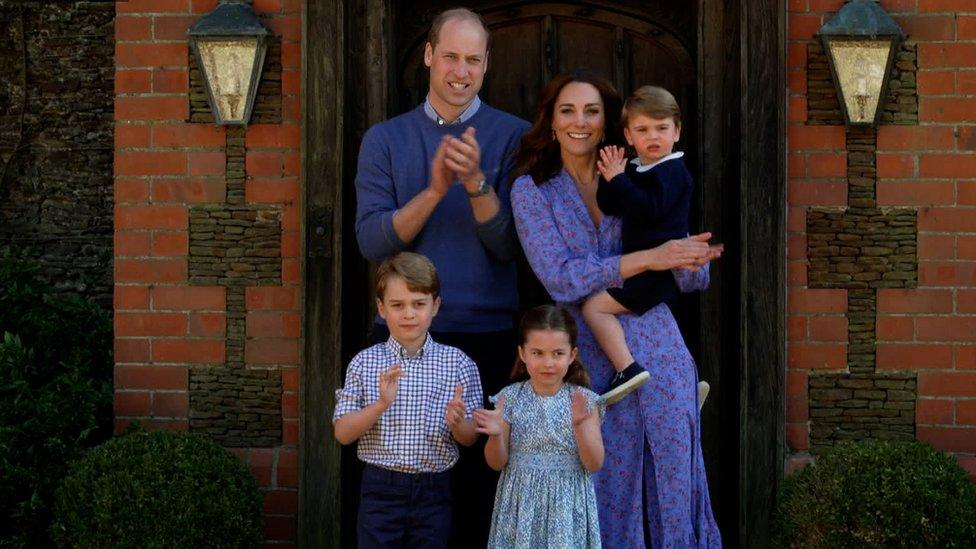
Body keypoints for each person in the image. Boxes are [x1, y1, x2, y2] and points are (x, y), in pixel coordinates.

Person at [510, 69, 723, 547]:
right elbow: (560, 277)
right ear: (552, 121)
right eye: (568, 111)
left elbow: (689, 275)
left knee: (673, 474)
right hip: (586, 355)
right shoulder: (532, 190)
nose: (579, 122)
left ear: (608, 124)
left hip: (659, 346)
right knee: (602, 481)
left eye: (591, 111)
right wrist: (651, 258)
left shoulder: (643, 173)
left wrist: (691, 259)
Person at [353, 8, 530, 545]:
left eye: (472, 59)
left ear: (486, 65)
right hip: (404, 340)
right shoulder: (385, 139)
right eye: (450, 56)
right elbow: (373, 243)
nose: (461, 70)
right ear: (429, 55)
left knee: (480, 494)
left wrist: (476, 182)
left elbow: (508, 248)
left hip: (490, 338)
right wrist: (433, 190)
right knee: (403, 493)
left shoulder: (515, 137)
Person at [332, 252, 483, 548]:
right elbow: (342, 433)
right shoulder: (365, 363)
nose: (409, 314)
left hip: (434, 489)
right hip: (380, 488)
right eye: (397, 305)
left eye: (419, 304)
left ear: (435, 306)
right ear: (381, 308)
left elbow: (470, 440)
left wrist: (457, 424)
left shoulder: (458, 364)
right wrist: (380, 405)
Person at [583, 85, 695, 405]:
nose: (653, 136)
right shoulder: (637, 168)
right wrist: (610, 176)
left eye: (662, 128)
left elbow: (647, 209)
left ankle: (627, 369)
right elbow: (611, 204)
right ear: (629, 136)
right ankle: (678, 386)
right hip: (641, 267)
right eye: (642, 129)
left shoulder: (674, 171)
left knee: (594, 307)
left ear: (677, 131)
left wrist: (620, 179)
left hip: (657, 272)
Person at [473, 305, 604, 548]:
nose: (548, 363)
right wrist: (496, 435)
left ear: (572, 355)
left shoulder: (584, 401)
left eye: (557, 353)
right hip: (520, 504)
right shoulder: (509, 398)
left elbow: (594, 463)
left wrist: (580, 426)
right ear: (522, 353)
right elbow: (496, 462)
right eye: (537, 353)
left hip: (566, 504)